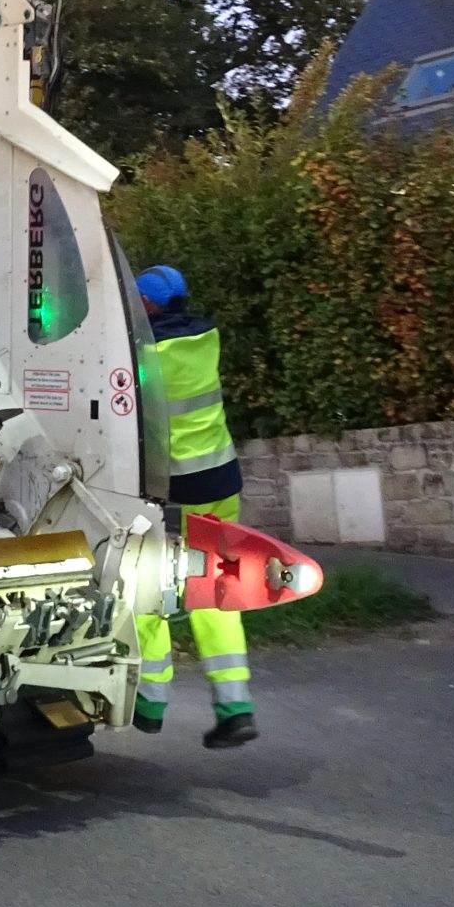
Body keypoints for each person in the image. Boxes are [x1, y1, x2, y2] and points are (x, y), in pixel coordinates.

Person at [133, 264, 256, 749]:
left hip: (175, 490)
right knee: (218, 587)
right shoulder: (208, 337)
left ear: (147, 305)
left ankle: (150, 702)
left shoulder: (146, 352)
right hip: (222, 482)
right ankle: (235, 706)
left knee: (146, 589)